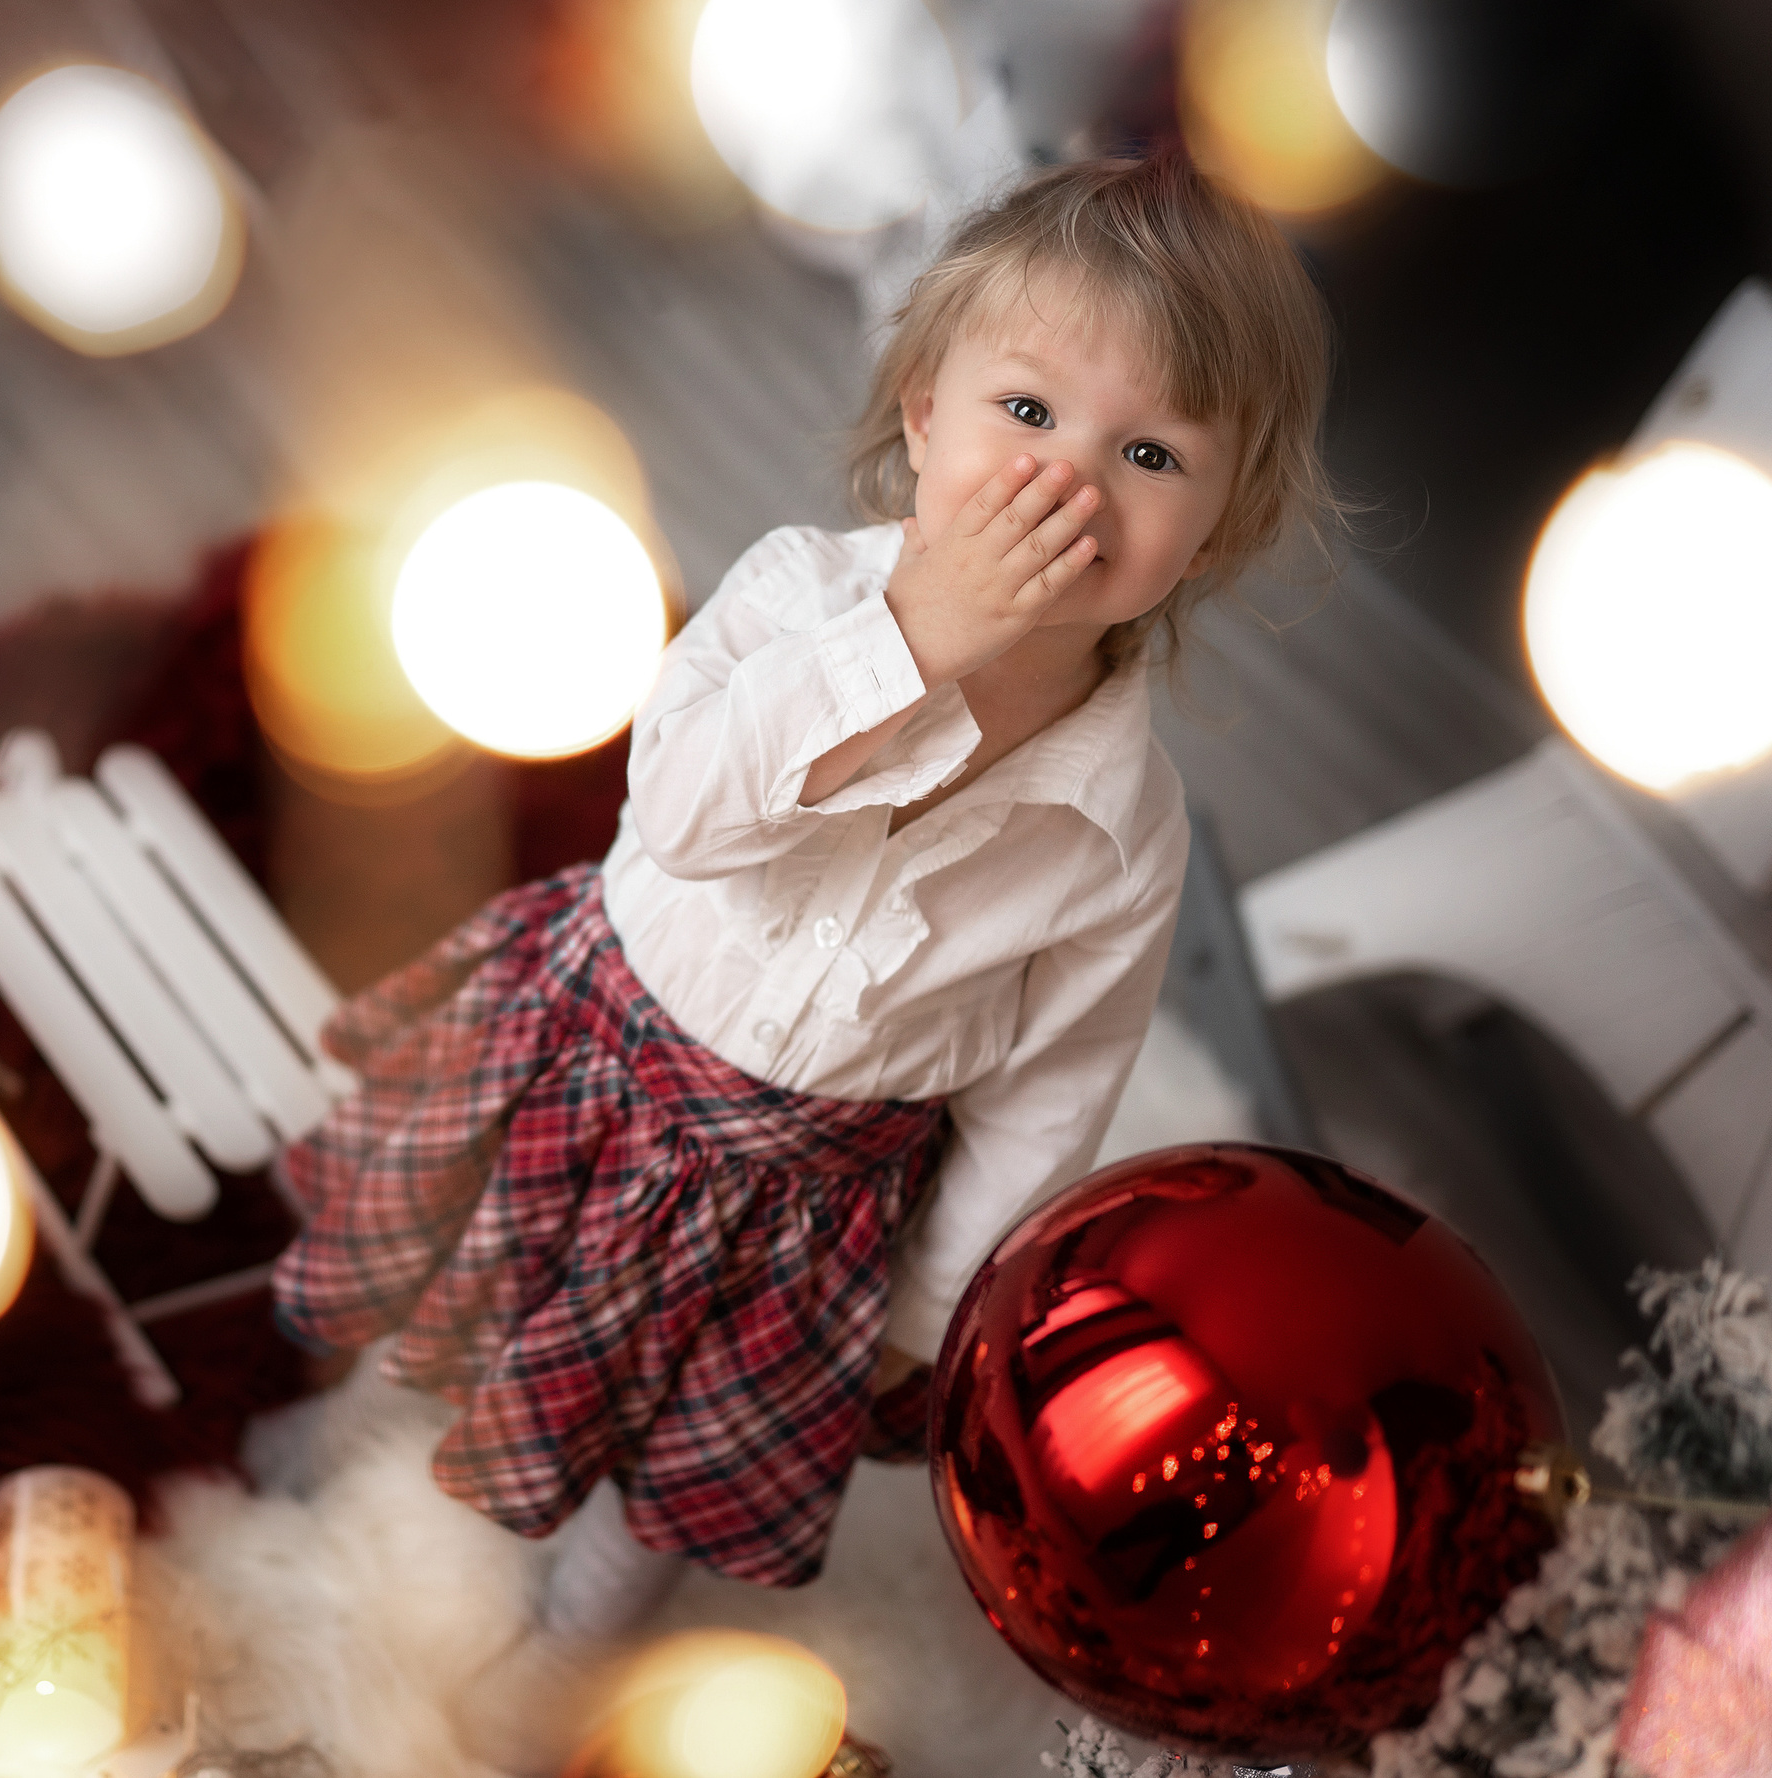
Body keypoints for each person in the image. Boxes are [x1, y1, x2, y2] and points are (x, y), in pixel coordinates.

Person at [268, 147, 1340, 1767]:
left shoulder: (1123, 825)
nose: (1070, 485)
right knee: (467, 1280)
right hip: (606, 1054)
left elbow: (1048, 1093)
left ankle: (575, 1645)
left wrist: (936, 1297)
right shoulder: (789, 599)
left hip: (807, 1193)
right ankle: (349, 1443)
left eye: (1149, 452)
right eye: (1027, 414)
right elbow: (684, 811)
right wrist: (913, 652)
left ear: (1221, 523)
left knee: (680, 1467)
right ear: (922, 416)